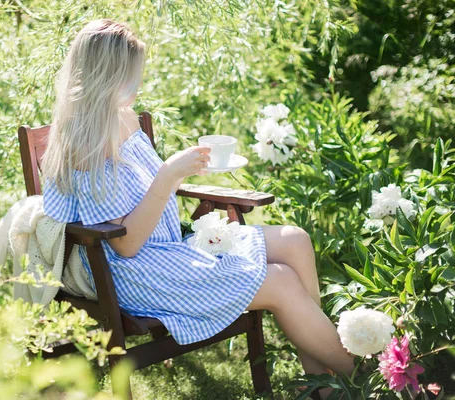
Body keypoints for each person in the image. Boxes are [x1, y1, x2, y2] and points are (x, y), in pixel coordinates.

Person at [40, 19, 355, 399]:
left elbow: (146, 190)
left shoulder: (122, 113)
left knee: (294, 240)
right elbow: (125, 246)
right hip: (132, 271)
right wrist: (169, 175)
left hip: (167, 249)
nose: (138, 84)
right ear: (107, 76)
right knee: (281, 281)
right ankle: (368, 380)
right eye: (132, 75)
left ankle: (323, 385)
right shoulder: (83, 147)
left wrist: (179, 172)